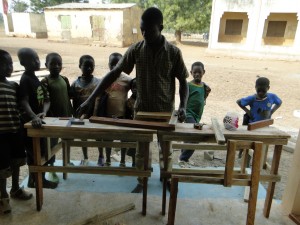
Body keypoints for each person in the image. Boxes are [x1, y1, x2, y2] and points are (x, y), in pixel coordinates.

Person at [77, 7, 189, 193]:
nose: (144, 34)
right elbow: (113, 74)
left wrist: (183, 106)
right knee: (141, 150)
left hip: (165, 111)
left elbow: (183, 82)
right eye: (142, 29)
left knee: (166, 150)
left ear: (161, 27)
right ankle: (142, 180)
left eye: (149, 30)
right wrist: (91, 98)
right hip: (142, 111)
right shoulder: (136, 50)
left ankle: (166, 178)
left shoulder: (174, 53)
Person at [18, 48, 58, 189]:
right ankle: (38, 181)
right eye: (33, 59)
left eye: (37, 58)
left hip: (40, 121)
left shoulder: (36, 79)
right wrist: (34, 116)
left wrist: (43, 113)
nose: (37, 61)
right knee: (35, 154)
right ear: (23, 62)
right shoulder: (25, 79)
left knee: (42, 152)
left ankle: (36, 180)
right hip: (31, 124)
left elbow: (47, 100)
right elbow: (24, 101)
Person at [0, 50, 33, 214]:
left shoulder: (14, 86)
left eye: (11, 63)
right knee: (2, 167)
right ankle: (3, 197)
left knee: (17, 162)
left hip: (15, 132)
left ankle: (15, 189)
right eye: (5, 64)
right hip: (1, 137)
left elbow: (21, 108)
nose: (9, 67)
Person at [41, 52, 73, 182]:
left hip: (67, 118)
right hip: (54, 121)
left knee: (67, 141)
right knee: (52, 146)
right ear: (46, 65)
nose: (56, 66)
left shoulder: (65, 79)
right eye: (52, 64)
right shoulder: (45, 81)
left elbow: (69, 97)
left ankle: (67, 161)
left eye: (59, 64)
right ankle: (52, 168)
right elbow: (45, 100)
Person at [70, 55, 104, 166]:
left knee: (98, 137)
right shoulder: (75, 84)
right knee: (83, 137)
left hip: (95, 115)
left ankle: (101, 156)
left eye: (92, 66)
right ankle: (85, 157)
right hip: (81, 117)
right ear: (80, 66)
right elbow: (73, 100)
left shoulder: (98, 83)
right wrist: (75, 115)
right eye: (86, 66)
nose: (89, 68)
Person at [236, 77, 282, 159]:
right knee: (248, 143)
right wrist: (248, 112)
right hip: (252, 126)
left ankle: (258, 160)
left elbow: (279, 102)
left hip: (265, 127)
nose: (260, 93)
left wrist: (272, 111)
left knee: (261, 145)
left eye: (263, 91)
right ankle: (242, 153)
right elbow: (239, 102)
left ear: (268, 88)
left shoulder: (272, 97)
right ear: (255, 88)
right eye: (258, 90)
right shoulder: (252, 98)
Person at [101, 53, 132, 167]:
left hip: (122, 115)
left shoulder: (128, 80)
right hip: (107, 116)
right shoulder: (105, 79)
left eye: (118, 64)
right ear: (108, 64)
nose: (114, 66)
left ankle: (122, 161)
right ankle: (108, 160)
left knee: (123, 140)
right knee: (108, 140)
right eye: (112, 64)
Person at [178, 61, 211, 168]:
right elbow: (183, 99)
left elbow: (202, 99)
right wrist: (181, 112)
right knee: (196, 136)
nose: (197, 74)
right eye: (195, 72)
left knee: (188, 136)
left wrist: (207, 93)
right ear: (191, 72)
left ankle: (184, 159)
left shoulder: (204, 86)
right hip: (189, 114)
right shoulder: (188, 85)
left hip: (197, 116)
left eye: (199, 72)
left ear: (203, 72)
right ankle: (183, 158)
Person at [125, 78, 137, 167]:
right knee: (133, 146)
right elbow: (127, 115)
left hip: (142, 127)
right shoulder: (129, 102)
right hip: (132, 127)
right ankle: (134, 162)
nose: (135, 89)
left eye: (137, 87)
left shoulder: (143, 101)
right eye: (133, 87)